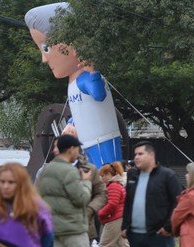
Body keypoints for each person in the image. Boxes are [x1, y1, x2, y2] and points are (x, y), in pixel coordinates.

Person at [25, 3, 122, 168]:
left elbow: (99, 95)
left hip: (102, 140)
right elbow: (82, 110)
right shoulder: (73, 83)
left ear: (72, 46)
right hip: (86, 142)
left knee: (108, 174)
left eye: (46, 48)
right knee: (93, 176)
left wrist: (93, 72)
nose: (44, 59)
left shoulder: (87, 79)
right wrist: (72, 123)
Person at [91, 162, 137, 247]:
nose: (101, 178)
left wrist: (100, 213)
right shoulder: (118, 185)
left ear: (108, 175)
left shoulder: (113, 186)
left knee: (104, 245)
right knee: (123, 245)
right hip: (121, 218)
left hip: (114, 219)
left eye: (102, 176)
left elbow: (112, 204)